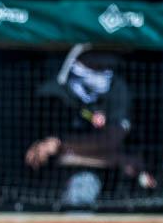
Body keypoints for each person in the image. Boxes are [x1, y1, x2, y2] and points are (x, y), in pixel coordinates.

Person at [25, 45, 155, 207]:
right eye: (96, 65)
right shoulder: (54, 92)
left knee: (82, 189)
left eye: (107, 66)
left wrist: (61, 144)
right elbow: (39, 150)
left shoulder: (117, 89)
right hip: (47, 173)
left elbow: (112, 141)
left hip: (104, 173)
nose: (103, 71)